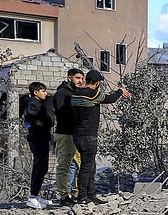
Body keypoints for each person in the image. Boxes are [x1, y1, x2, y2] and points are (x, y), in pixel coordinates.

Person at [71, 70, 130, 205]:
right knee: (86, 167)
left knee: (90, 166)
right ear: (97, 83)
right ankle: (82, 196)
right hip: (88, 135)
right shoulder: (92, 94)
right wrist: (120, 91)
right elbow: (111, 98)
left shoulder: (76, 93)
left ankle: (91, 195)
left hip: (77, 134)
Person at [53, 68, 84, 206]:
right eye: (77, 78)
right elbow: (61, 113)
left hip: (75, 133)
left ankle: (75, 193)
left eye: (82, 78)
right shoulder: (62, 93)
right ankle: (64, 195)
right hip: (65, 134)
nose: (80, 81)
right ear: (69, 77)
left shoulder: (75, 93)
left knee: (78, 165)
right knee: (64, 165)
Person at [24, 82, 55, 209]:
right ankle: (32, 197)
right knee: (40, 166)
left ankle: (35, 195)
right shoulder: (32, 104)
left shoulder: (40, 104)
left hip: (42, 138)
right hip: (37, 138)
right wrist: (43, 124)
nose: (46, 93)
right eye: (43, 91)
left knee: (42, 166)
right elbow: (31, 118)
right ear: (36, 92)